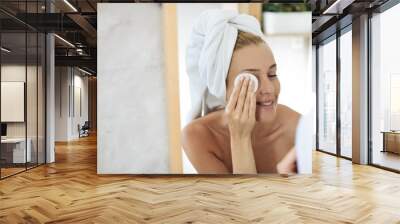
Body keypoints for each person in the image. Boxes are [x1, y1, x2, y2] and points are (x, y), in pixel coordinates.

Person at [182, 10, 300, 174]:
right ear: (222, 87)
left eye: (272, 74)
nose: (269, 89)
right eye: (251, 80)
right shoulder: (198, 136)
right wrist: (240, 138)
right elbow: (240, 199)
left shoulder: (298, 126)